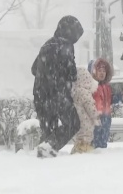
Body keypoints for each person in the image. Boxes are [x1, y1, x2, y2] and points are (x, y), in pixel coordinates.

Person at [31, 15, 84, 158]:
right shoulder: (66, 46)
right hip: (57, 94)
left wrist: (45, 74)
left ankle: (43, 159)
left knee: (49, 130)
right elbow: (71, 74)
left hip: (40, 94)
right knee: (73, 123)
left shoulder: (47, 44)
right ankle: (48, 148)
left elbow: (33, 69)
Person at [71, 68, 100, 154]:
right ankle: (83, 151)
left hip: (79, 120)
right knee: (86, 136)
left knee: (80, 136)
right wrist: (96, 117)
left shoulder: (74, 91)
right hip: (86, 121)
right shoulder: (85, 92)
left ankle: (77, 149)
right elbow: (90, 106)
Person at [89, 58, 114, 148]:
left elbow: (110, 100)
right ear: (94, 72)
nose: (102, 73)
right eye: (99, 70)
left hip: (106, 117)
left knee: (104, 139)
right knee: (96, 140)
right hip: (96, 117)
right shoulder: (92, 86)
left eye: (104, 71)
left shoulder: (107, 87)